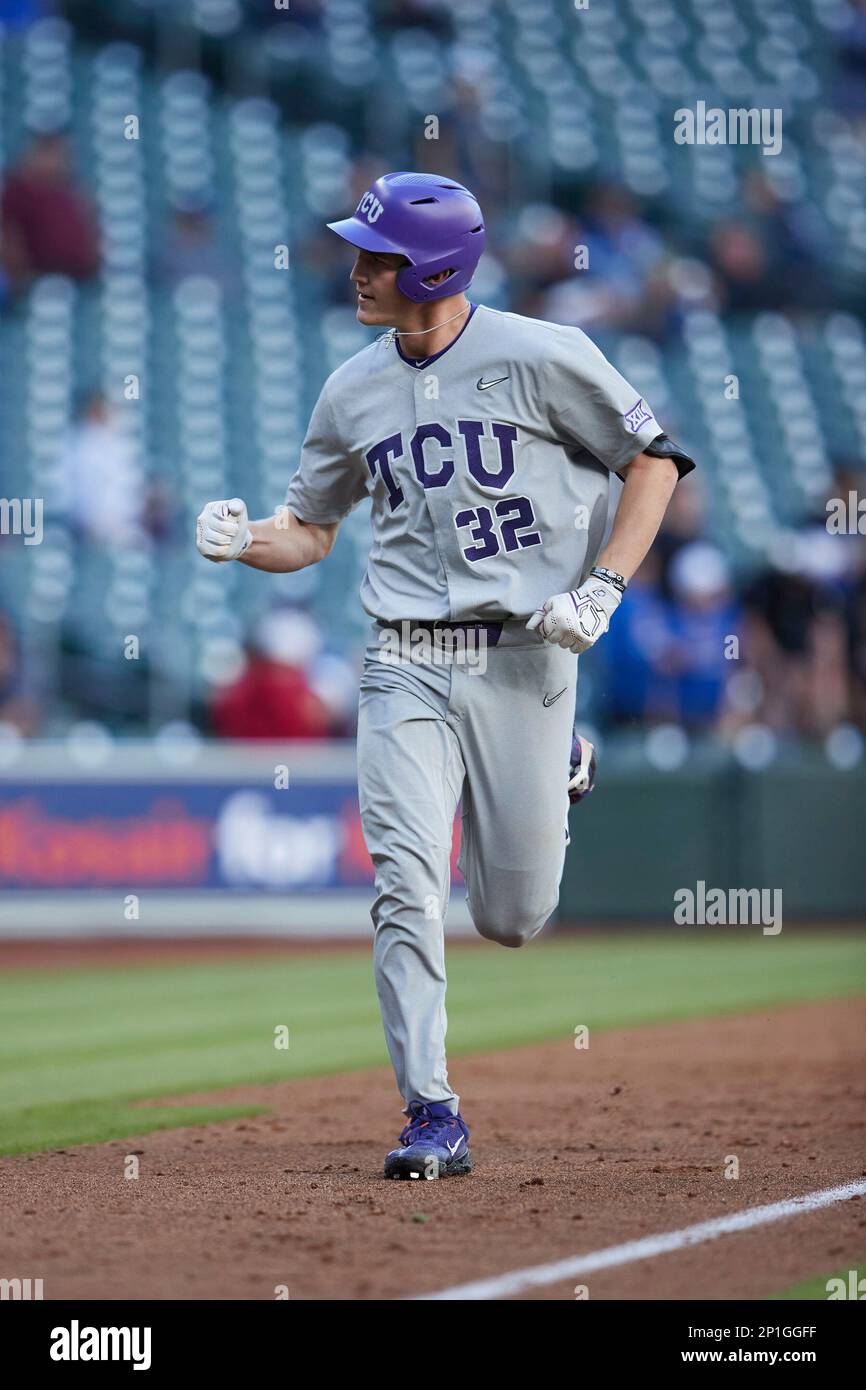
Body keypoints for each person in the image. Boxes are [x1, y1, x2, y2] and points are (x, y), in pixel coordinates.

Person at [195, 172, 695, 1180]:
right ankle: (431, 1107)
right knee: (404, 883)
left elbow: (655, 461)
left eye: (373, 253)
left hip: (527, 656)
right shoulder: (352, 387)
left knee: (511, 918)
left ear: (430, 266)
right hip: (404, 658)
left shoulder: (543, 354)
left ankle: (559, 760)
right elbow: (311, 530)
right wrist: (247, 538)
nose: (355, 267)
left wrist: (601, 589)